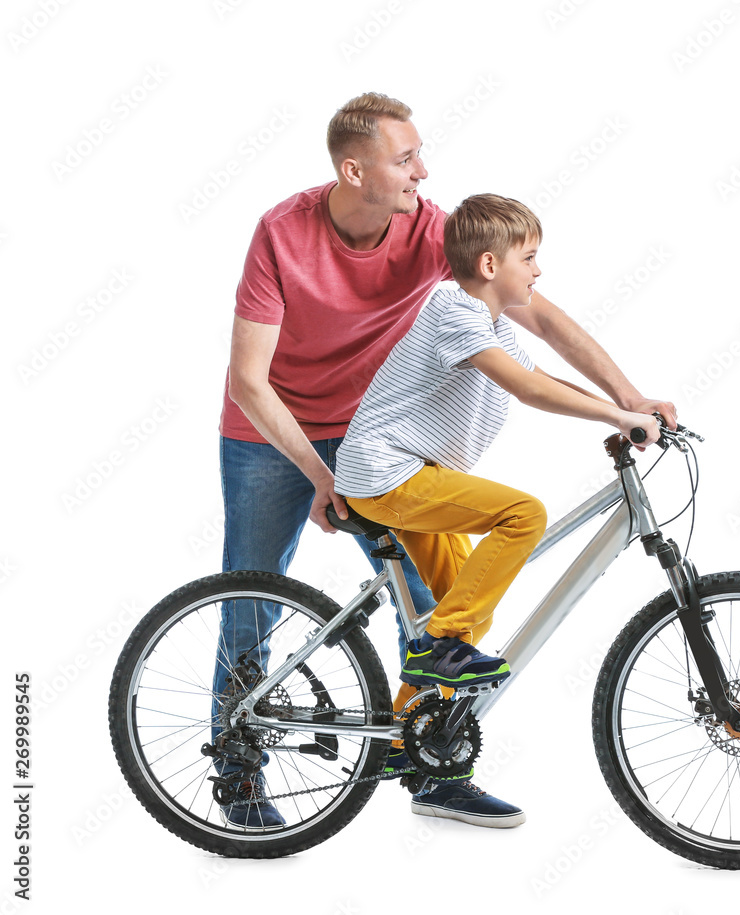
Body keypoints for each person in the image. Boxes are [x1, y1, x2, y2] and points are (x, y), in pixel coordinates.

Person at [214, 91, 677, 829]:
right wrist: (318, 472)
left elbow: (539, 318)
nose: (423, 171)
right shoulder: (283, 232)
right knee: (250, 602)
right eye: (405, 159)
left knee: (434, 607)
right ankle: (237, 777)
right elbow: (249, 377)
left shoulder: (432, 231)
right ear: (353, 169)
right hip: (276, 430)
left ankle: (432, 769)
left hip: (380, 430)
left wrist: (629, 394)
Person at [334, 193, 667, 827]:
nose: (538, 273)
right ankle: (432, 647)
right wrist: (619, 415)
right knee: (523, 516)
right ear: (489, 264)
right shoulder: (455, 313)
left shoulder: (489, 322)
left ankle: (408, 748)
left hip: (414, 474)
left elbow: (546, 378)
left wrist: (628, 407)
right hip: (387, 475)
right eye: (530, 258)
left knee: (465, 606)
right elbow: (527, 389)